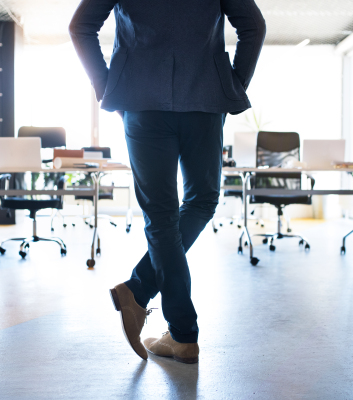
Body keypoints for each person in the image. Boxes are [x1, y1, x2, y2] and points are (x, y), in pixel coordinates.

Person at [69, 0, 265, 364]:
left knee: (166, 214)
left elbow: (81, 27)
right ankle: (179, 330)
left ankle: (146, 297)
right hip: (203, 101)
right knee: (200, 201)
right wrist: (230, 83)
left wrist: (108, 85)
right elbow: (253, 27)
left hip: (142, 101)